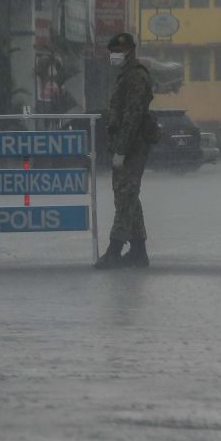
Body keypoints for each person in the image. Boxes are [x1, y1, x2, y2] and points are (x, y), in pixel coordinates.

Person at [95, 32, 156, 269]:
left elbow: (132, 116)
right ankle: (139, 250)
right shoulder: (127, 75)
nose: (113, 56)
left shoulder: (136, 77)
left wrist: (121, 150)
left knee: (125, 196)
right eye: (111, 52)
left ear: (128, 51)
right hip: (126, 144)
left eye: (116, 52)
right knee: (128, 195)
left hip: (133, 146)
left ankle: (114, 249)